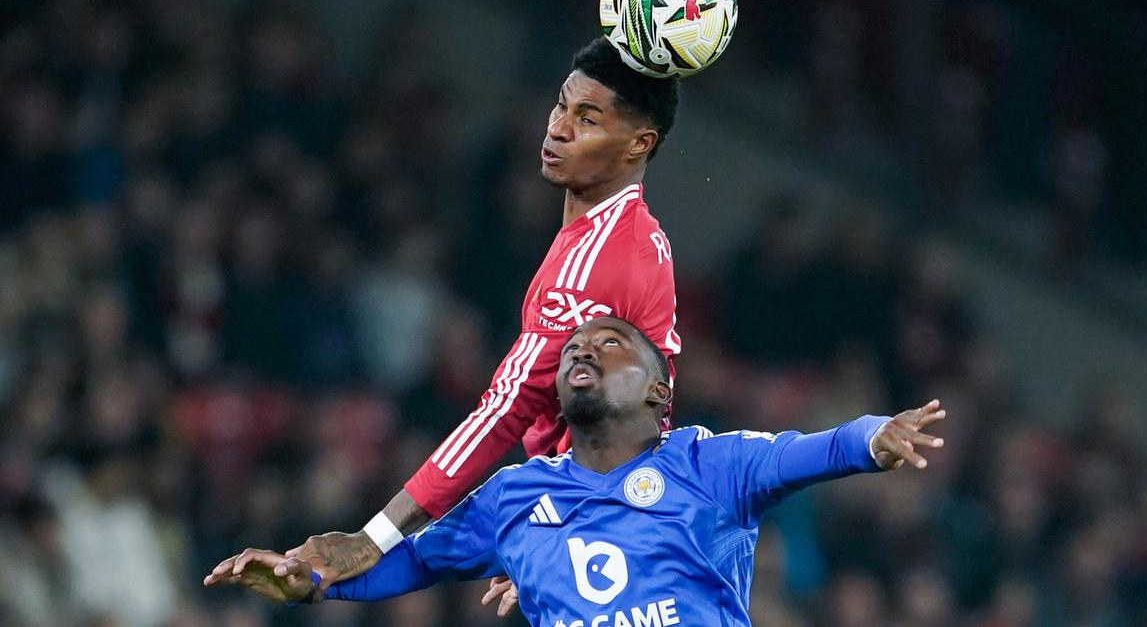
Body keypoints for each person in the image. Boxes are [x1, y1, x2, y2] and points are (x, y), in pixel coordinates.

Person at [205, 316, 947, 625]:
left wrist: (877, 436)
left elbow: (812, 448)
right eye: (572, 349)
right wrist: (306, 581)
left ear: (659, 391)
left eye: (611, 342)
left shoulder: (709, 463)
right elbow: (406, 563)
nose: (581, 351)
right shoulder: (511, 497)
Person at [280, 36, 684, 592]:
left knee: (390, 564)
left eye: (587, 119)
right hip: (614, 519)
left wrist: (372, 537)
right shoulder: (635, 234)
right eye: (561, 105)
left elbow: (505, 410)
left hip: (610, 536)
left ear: (639, 143)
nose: (558, 128)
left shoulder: (594, 262)